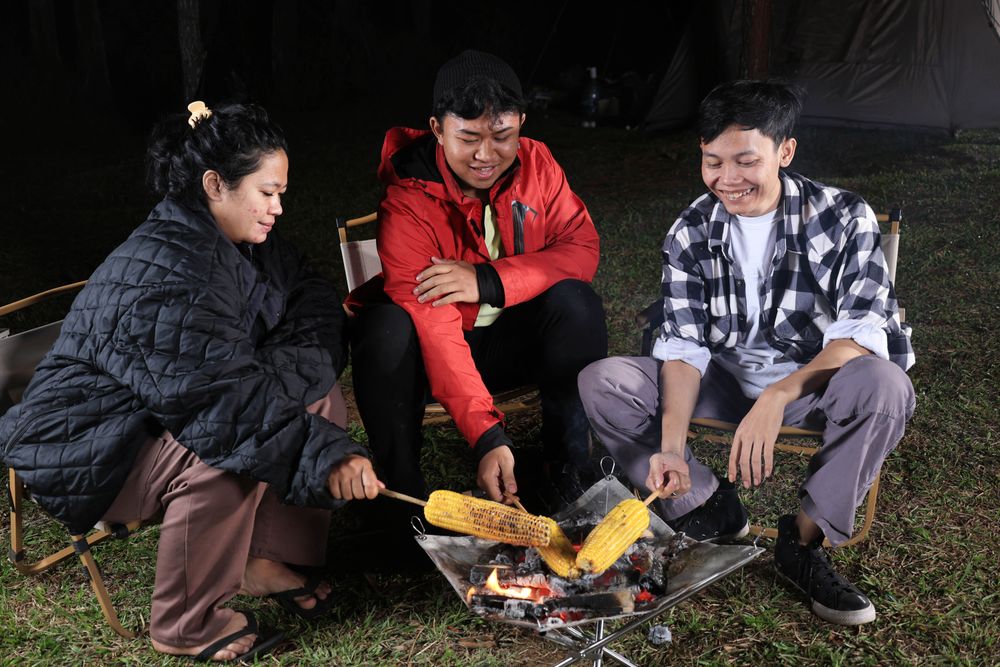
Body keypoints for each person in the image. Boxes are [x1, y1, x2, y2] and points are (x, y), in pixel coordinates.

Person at [0, 102, 382, 662]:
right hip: (91, 444)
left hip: (162, 414)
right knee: (226, 453)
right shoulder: (169, 268)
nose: (279, 207)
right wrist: (326, 458)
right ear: (214, 185)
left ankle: (262, 560)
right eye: (267, 192)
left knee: (311, 395)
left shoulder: (247, 243)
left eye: (281, 192)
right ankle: (185, 623)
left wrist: (282, 381)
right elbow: (220, 409)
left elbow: (313, 297)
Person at [578, 80, 915, 626]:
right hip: (724, 381)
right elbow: (684, 347)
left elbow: (861, 334)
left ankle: (801, 544)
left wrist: (779, 396)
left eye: (745, 161)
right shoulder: (692, 228)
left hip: (814, 387)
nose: (727, 180)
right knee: (602, 381)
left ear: (785, 151)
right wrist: (670, 445)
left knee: (886, 386)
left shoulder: (842, 217)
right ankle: (707, 505)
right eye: (712, 162)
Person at [347, 50, 607, 524]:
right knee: (382, 325)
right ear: (437, 128)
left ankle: (568, 471)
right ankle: (402, 497)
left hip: (510, 344)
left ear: (521, 124)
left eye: (502, 135)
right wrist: (487, 436)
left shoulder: (538, 163)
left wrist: (488, 280)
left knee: (576, 302)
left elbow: (581, 246)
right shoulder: (407, 203)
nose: (486, 155)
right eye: (468, 138)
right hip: (429, 361)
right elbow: (434, 323)